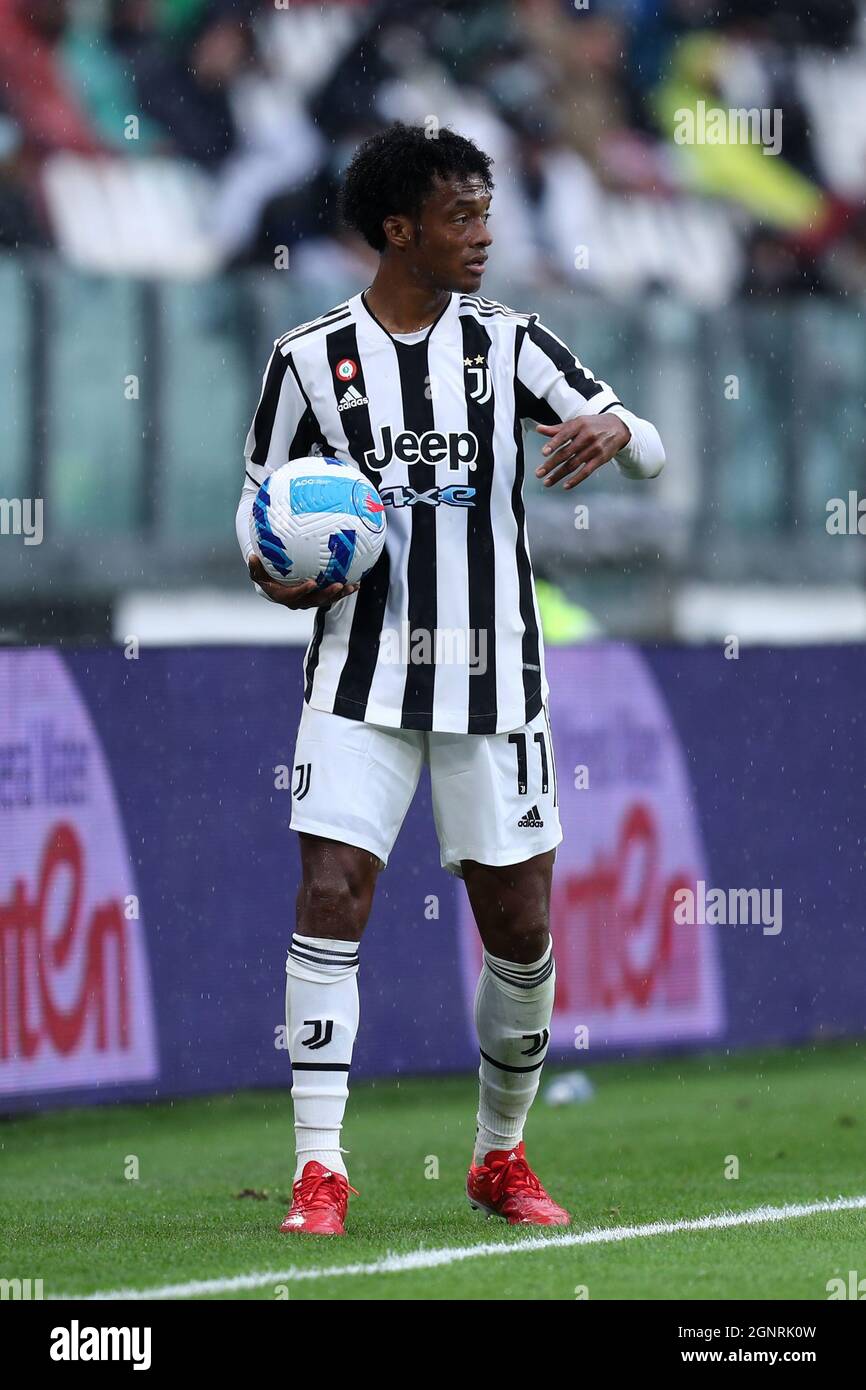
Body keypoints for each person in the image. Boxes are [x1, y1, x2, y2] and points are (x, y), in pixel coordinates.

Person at [235, 122, 665, 1236]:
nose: (483, 234)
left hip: (494, 680)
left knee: (517, 926)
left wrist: (615, 429)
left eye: (485, 212)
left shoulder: (508, 345)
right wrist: (273, 573)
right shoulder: (305, 361)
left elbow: (639, 430)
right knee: (330, 896)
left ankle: (497, 1155)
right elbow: (259, 511)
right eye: (460, 216)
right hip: (357, 676)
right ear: (397, 229)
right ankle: (319, 1168)